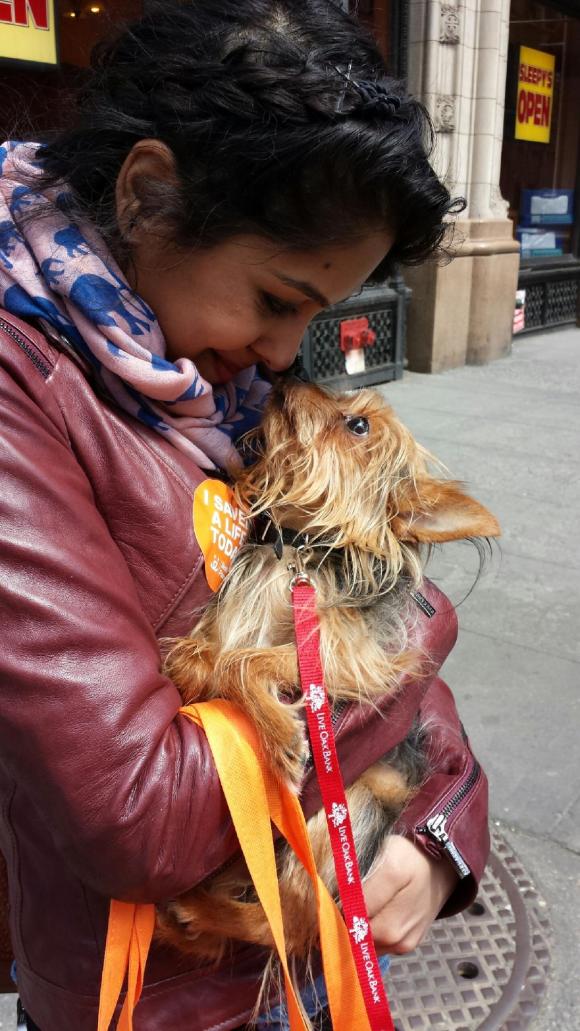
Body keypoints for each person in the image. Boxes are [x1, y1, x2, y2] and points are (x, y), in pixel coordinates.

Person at [0, 2, 489, 1029]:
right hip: (152, 992)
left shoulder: (203, 379)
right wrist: (412, 626)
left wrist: (441, 830)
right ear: (147, 194)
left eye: (317, 313)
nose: (280, 354)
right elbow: (138, 814)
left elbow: (356, 626)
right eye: (275, 299)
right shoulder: (26, 390)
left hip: (323, 933)